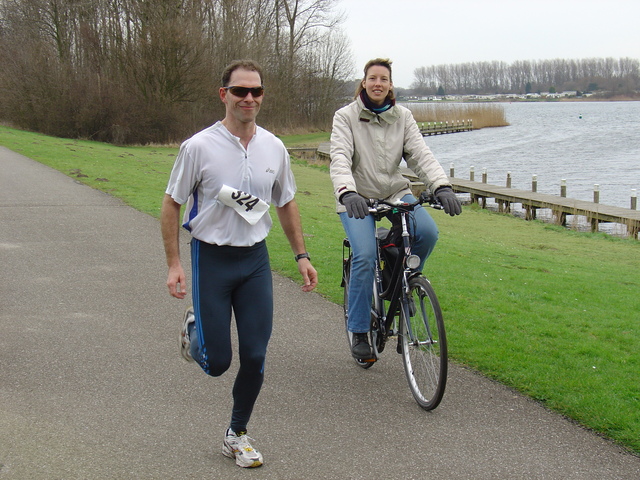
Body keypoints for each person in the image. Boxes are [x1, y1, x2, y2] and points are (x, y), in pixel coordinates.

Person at [161, 59, 317, 468]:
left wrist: (301, 256)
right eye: (240, 91)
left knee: (255, 355)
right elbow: (172, 203)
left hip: (254, 261)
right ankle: (194, 330)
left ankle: (237, 433)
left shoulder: (274, 147)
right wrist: (174, 263)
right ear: (223, 95)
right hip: (210, 258)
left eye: (256, 92)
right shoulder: (198, 147)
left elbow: (285, 201)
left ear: (263, 96)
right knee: (217, 364)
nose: (249, 98)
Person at [329, 58, 461, 361]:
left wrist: (441, 186)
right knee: (363, 255)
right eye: (372, 78)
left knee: (427, 233)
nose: (378, 83)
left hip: (394, 192)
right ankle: (360, 329)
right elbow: (339, 157)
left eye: (384, 79)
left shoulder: (403, 116)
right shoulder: (345, 117)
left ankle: (403, 286)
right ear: (364, 82)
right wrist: (347, 193)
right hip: (357, 198)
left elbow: (421, 155)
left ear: (390, 84)